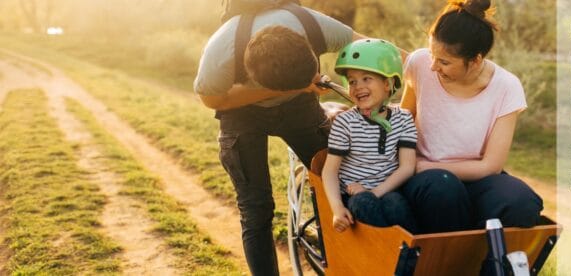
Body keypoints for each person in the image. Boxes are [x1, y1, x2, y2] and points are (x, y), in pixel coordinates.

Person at [193, 6, 366, 275]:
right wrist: (282, 88)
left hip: (299, 106)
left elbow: (369, 46)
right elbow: (212, 99)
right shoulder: (221, 48)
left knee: (343, 184)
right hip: (239, 114)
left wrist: (421, 64)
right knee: (256, 209)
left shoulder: (309, 23)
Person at [400, 0, 543, 234]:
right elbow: (403, 120)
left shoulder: (507, 86)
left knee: (521, 201)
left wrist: (427, 166)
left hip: (475, 177)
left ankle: (492, 266)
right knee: (443, 188)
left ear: (476, 60)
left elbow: (491, 165)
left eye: (444, 62)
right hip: (427, 180)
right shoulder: (419, 64)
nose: (434, 67)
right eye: (432, 55)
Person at [321, 39, 419, 234]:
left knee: (396, 203)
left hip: (387, 190)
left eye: (367, 78)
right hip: (354, 195)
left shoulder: (404, 119)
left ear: (387, 83)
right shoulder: (345, 123)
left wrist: (375, 192)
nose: (358, 86)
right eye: (352, 81)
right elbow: (329, 171)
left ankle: (413, 255)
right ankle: (390, 257)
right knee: (361, 202)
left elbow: (407, 167)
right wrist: (337, 209)